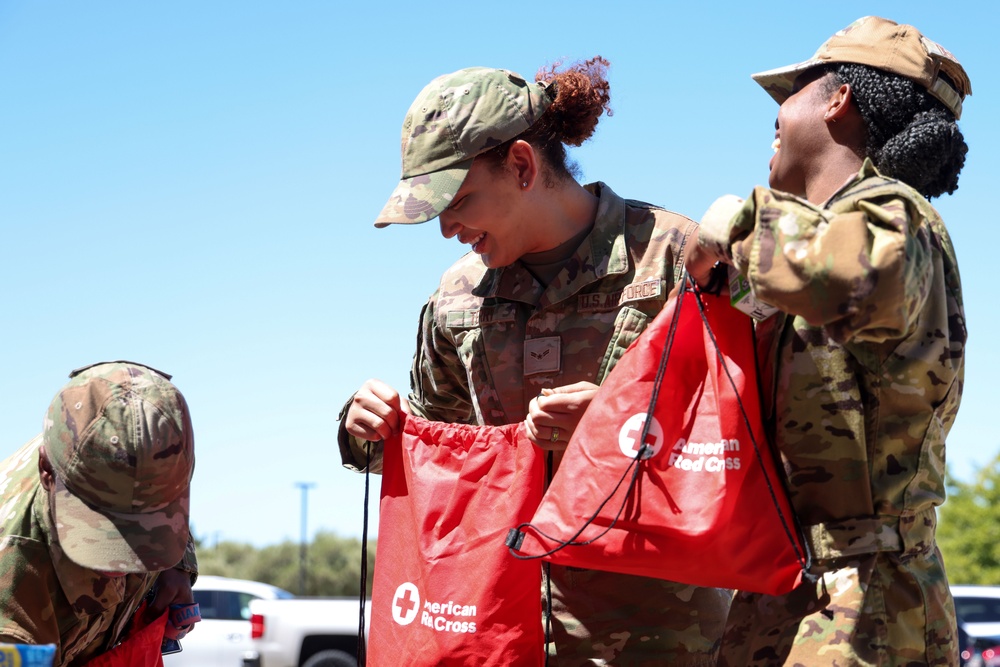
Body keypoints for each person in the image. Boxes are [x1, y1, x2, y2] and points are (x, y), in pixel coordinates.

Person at [339, 59, 730, 664]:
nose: (447, 228)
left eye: (459, 199)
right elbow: (441, 448)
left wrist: (616, 429)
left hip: (659, 640)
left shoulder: (680, 263)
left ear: (521, 166)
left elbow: (750, 440)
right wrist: (372, 429)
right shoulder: (457, 298)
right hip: (494, 632)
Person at [684, 16, 970, 666]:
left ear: (838, 99)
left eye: (794, 92)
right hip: (792, 590)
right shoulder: (811, 244)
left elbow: (849, 272)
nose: (776, 118)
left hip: (866, 608)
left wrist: (735, 221)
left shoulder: (897, 214)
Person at [0, 361, 198, 666]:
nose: (128, 562)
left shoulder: (153, 452)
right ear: (47, 472)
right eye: (104, 525)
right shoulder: (13, 588)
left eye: (146, 525)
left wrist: (176, 566)